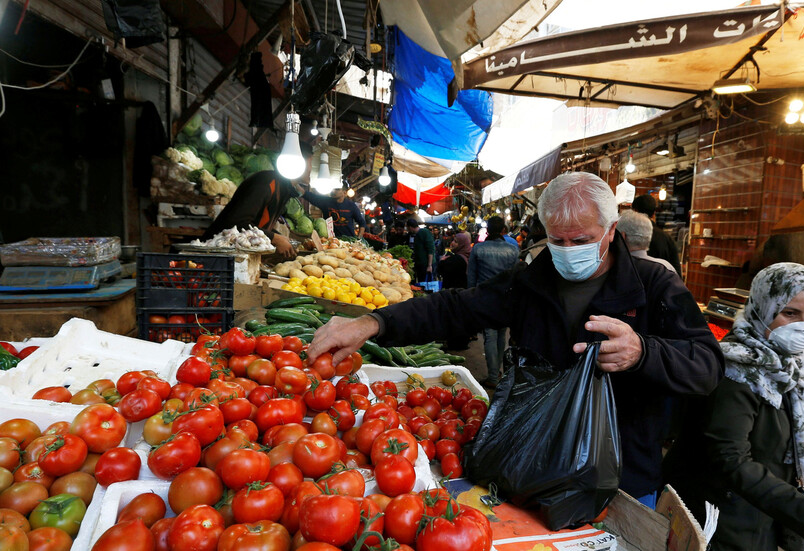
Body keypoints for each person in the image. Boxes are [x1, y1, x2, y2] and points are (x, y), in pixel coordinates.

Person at [307, 172, 724, 504]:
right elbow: (455, 308)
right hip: (531, 465)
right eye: (556, 240)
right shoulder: (532, 280)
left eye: (580, 240)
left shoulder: (654, 286)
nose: (566, 250)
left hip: (622, 480)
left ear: (612, 231)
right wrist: (372, 324)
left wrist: (644, 352)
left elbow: (708, 366)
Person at [663, 263, 804, 551]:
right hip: (720, 519)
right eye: (790, 313)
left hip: (758, 515)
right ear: (762, 309)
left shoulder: (793, 368)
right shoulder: (735, 373)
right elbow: (731, 459)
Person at [201, 144, 313, 258]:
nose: (312, 170)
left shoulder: (284, 189)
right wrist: (275, 238)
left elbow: (259, 224)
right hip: (214, 256)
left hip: (238, 259)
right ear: (298, 163)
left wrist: (279, 237)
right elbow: (237, 223)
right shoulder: (266, 183)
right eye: (311, 164)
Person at [467, 216, 520, 387]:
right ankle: (496, 372)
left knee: (489, 336)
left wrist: (470, 298)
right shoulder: (513, 249)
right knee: (500, 336)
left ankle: (492, 376)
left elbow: (471, 277)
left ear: (487, 230)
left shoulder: (478, 249)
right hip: (507, 298)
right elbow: (515, 276)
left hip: (485, 297)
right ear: (504, 230)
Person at [631, 194, 682, 275]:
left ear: (635, 211)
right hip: (661, 285)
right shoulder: (666, 238)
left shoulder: (628, 235)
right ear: (654, 213)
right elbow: (677, 273)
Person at [439, 231, 473, 351]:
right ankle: (461, 342)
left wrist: (443, 261)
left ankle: (456, 343)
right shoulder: (468, 256)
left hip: (455, 293)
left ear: (462, 244)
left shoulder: (457, 259)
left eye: (456, 241)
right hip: (464, 292)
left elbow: (441, 270)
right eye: (453, 240)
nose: (452, 243)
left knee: (455, 318)